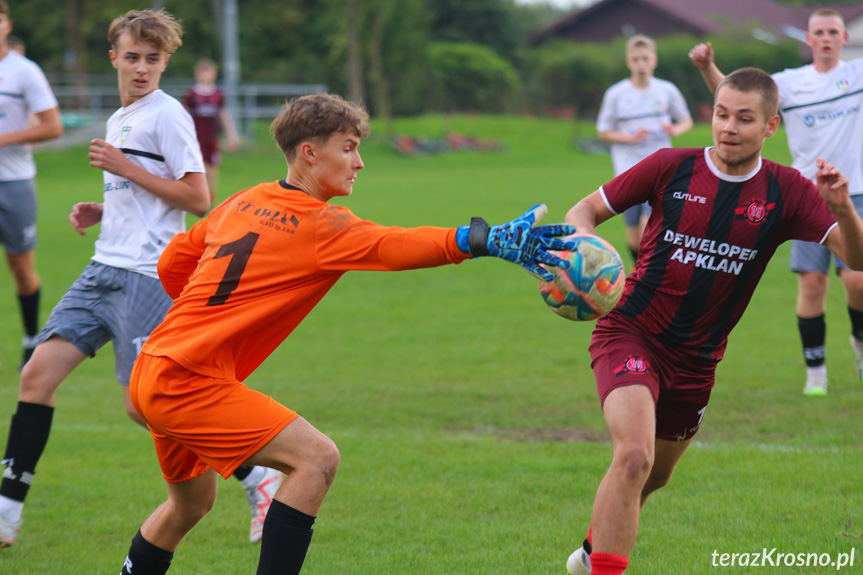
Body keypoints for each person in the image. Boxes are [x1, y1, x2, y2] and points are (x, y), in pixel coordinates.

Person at [113, 92, 575, 575]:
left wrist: (209, 323)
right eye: (349, 147)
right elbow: (394, 244)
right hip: (189, 380)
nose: (359, 162)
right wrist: (483, 239)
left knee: (189, 507)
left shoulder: (243, 200)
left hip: (155, 366)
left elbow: (172, 265)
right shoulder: (322, 224)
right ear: (310, 152)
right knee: (316, 459)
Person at [563, 67, 863, 575]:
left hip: (699, 359)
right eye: (722, 114)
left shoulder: (787, 191)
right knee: (633, 457)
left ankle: (595, 549)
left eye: (745, 119)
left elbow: (855, 256)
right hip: (632, 331)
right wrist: (587, 251)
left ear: (771, 127)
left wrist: (844, 210)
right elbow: (583, 210)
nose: (728, 127)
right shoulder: (669, 166)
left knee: (654, 476)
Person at [0, 9, 278, 550]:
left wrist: (124, 169)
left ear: (165, 61)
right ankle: (7, 515)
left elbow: (199, 199)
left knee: (143, 403)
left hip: (148, 277)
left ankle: (256, 474)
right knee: (36, 377)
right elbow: (148, 192)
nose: (142, 68)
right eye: (132, 58)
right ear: (114, 59)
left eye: (153, 59)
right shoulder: (120, 117)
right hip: (103, 267)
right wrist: (103, 208)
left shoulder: (168, 115)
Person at [689, 9, 863, 396]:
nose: (826, 38)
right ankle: (815, 373)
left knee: (858, 281)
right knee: (813, 285)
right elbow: (738, 97)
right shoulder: (789, 83)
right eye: (819, 32)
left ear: (843, 38)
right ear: (808, 38)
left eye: (834, 32)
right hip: (807, 196)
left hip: (855, 194)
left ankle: (860, 344)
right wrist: (707, 66)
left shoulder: (858, 74)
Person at [0, 1, 63, 371]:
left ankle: (29, 338)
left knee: (22, 268)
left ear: (7, 25)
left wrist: (6, 139)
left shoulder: (24, 72)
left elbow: (52, 126)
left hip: (15, 184)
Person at [596, 34, 692, 264]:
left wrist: (675, 130)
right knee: (634, 242)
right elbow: (603, 132)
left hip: (660, 172)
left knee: (648, 233)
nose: (641, 64)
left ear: (654, 61)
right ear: (629, 62)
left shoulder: (666, 90)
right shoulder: (616, 94)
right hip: (628, 172)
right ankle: (640, 278)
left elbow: (686, 120)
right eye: (636, 59)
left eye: (645, 59)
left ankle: (648, 282)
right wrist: (628, 138)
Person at [183, 58, 240, 204]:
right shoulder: (192, 94)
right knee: (198, 166)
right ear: (198, 74)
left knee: (213, 166)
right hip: (196, 137)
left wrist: (231, 135)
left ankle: (211, 194)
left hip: (212, 137)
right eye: (203, 72)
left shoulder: (217, 94)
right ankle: (198, 193)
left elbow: (224, 115)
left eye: (209, 72)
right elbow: (185, 116)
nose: (206, 76)